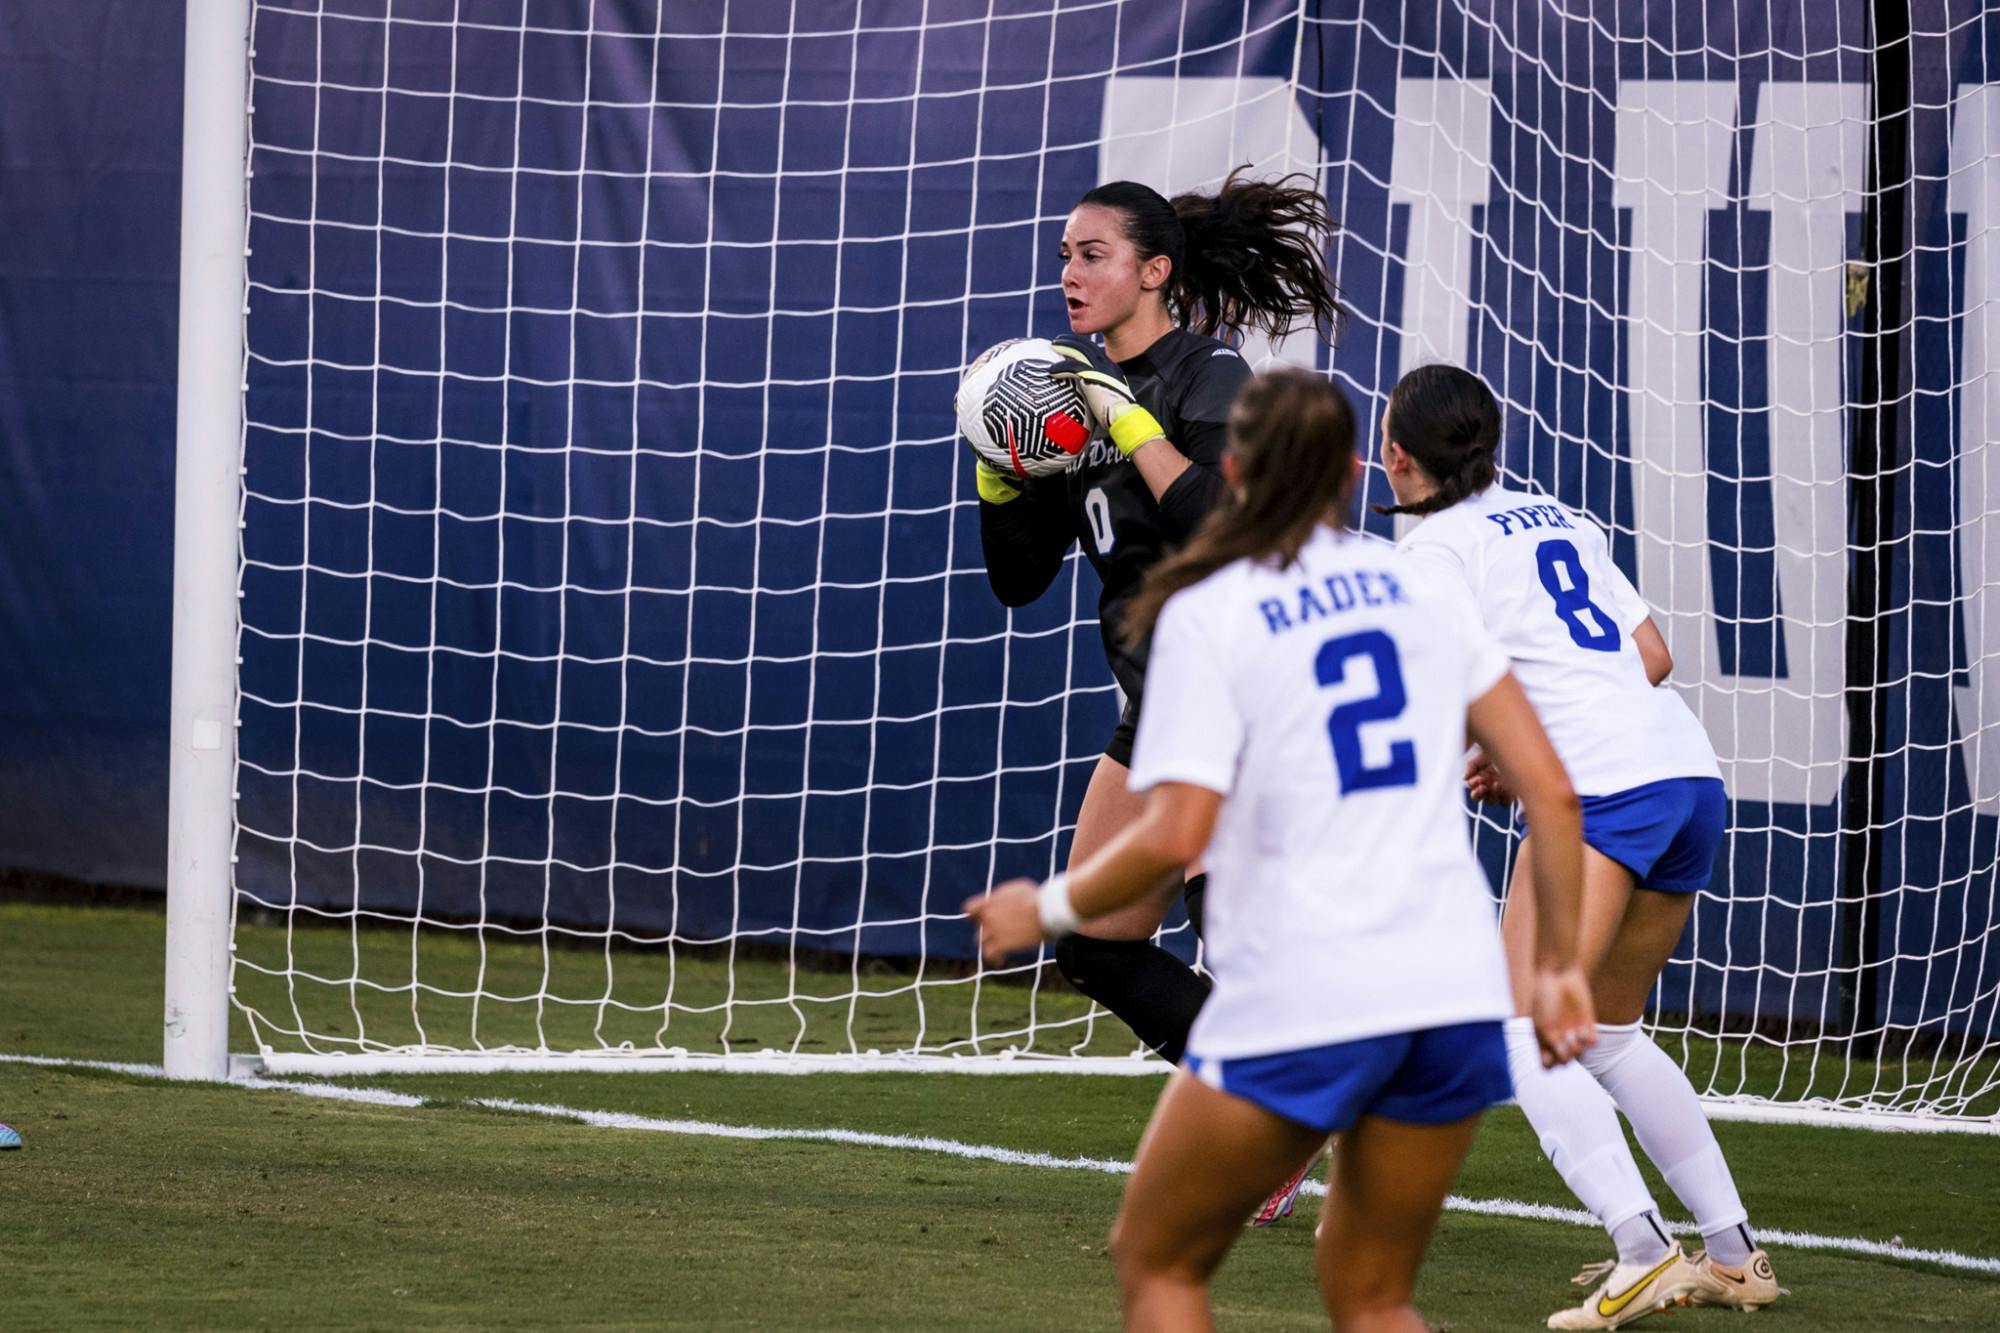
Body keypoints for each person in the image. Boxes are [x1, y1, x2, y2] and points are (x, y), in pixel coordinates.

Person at [964, 369, 1597, 1332]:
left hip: (1314, 981)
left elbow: (1173, 835)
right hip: (1455, 981)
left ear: (1237, 468)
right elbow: (1550, 790)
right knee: (1374, 1295)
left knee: (1159, 1258)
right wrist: (1553, 972)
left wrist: (1044, 909)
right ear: (1348, 470)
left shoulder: (1210, 612)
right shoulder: (1418, 582)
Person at [975, 169, 1343, 1223]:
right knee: (1093, 938)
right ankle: (1277, 1111)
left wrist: (1126, 424)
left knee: (1236, 939)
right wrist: (999, 476)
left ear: (1153, 271)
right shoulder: (1067, 393)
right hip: (1157, 704)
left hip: (1238, 697)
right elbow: (1016, 579)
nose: (1067, 275)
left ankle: (1283, 1119)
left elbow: (1227, 530)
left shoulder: (1206, 378)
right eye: (1061, 256)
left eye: (1090, 255)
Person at [1379, 364, 1780, 1328]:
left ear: (1396, 457)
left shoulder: (1433, 552)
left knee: (1520, 1021)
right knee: (1603, 1030)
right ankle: (1733, 1255)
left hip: (1603, 790)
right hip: (1686, 772)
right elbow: (1651, 656)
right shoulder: (1557, 515)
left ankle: (1641, 1250)